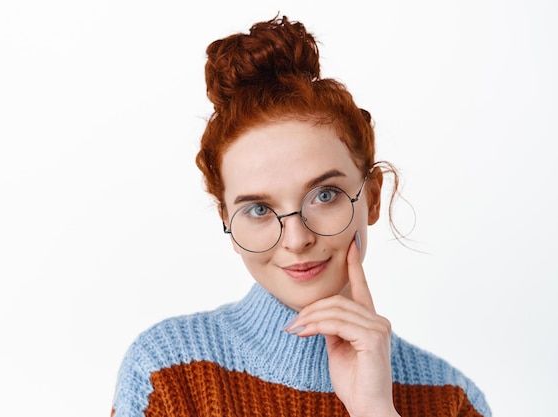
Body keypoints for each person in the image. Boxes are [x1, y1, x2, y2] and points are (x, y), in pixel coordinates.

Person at [110, 16, 491, 417]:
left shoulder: (451, 400)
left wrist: (375, 409)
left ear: (373, 197)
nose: (296, 239)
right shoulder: (168, 373)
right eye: (258, 209)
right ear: (227, 221)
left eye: (325, 195)